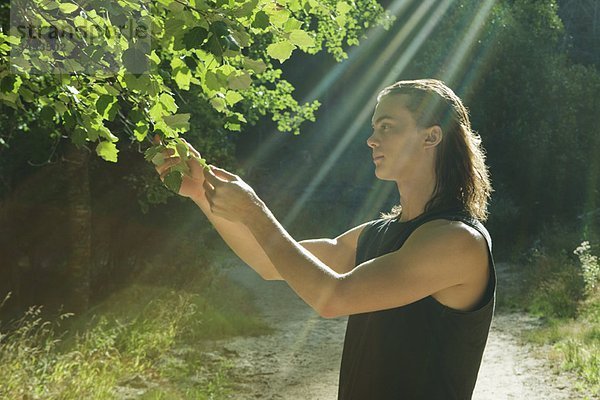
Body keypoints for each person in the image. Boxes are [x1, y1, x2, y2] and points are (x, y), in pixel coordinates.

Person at [155, 79, 495, 400]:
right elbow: (267, 262)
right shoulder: (376, 233)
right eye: (374, 128)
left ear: (431, 137)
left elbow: (333, 298)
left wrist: (254, 210)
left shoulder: (457, 241)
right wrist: (201, 190)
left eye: (387, 127)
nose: (372, 139)